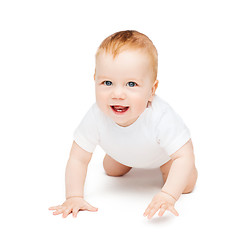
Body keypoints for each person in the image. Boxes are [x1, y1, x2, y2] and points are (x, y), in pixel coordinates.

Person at [49, 30, 198, 220]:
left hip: (162, 155)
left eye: (131, 84)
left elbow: (184, 154)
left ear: (151, 90)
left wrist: (168, 194)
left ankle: (170, 171)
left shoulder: (160, 117)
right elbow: (78, 159)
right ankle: (124, 158)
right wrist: (74, 196)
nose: (117, 94)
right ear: (95, 79)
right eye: (108, 82)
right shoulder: (96, 115)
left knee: (186, 185)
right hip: (122, 152)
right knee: (110, 170)